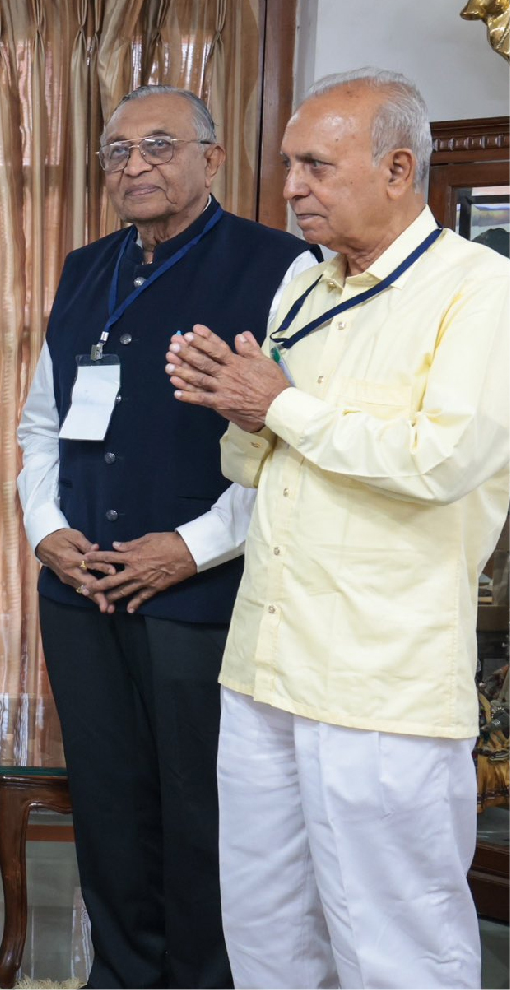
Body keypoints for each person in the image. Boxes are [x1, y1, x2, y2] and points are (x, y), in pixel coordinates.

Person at [168, 67, 510, 989]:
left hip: (378, 682)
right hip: (265, 667)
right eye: (287, 165)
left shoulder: (479, 290)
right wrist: (243, 412)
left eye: (315, 165)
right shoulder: (303, 292)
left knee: (397, 944)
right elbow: (254, 468)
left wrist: (278, 408)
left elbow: (440, 461)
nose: (289, 188)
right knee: (267, 929)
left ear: (398, 169)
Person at [16, 86, 314, 988]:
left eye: (158, 146)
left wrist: (187, 548)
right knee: (106, 808)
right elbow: (42, 419)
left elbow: (290, 445)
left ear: (212, 160)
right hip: (81, 589)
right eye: (115, 152)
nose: (134, 166)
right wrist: (46, 530)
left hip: (199, 597)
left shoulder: (280, 267)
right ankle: (119, 976)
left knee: (203, 814)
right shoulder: (83, 268)